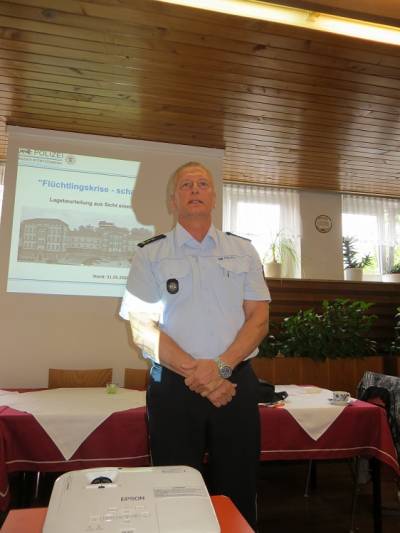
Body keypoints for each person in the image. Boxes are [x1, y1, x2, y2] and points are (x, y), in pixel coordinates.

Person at [120, 161, 270, 528]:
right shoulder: (149, 255)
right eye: (186, 185)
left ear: (214, 197)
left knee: (238, 487)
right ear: (173, 200)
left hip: (235, 385)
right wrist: (202, 375)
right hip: (173, 388)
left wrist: (220, 368)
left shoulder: (244, 251)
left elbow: (259, 319)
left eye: (202, 183)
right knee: (173, 491)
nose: (195, 190)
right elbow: (141, 327)